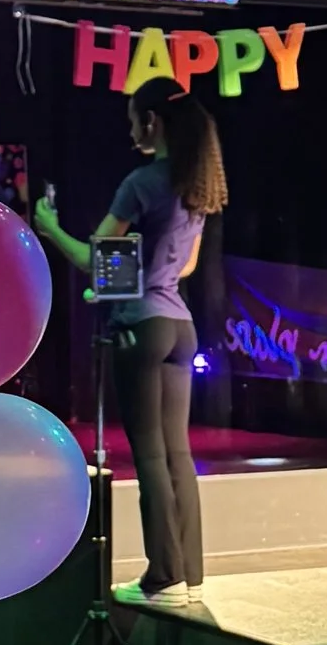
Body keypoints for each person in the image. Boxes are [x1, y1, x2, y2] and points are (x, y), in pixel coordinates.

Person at [37, 86, 224, 605]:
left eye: (134, 120)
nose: (130, 130)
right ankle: (188, 575)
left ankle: (162, 577)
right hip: (180, 327)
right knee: (177, 454)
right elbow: (184, 266)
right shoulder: (196, 183)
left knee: (148, 456)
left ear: (153, 121)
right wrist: (141, 276)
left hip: (142, 328)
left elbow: (91, 258)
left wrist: (50, 228)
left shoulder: (141, 183)